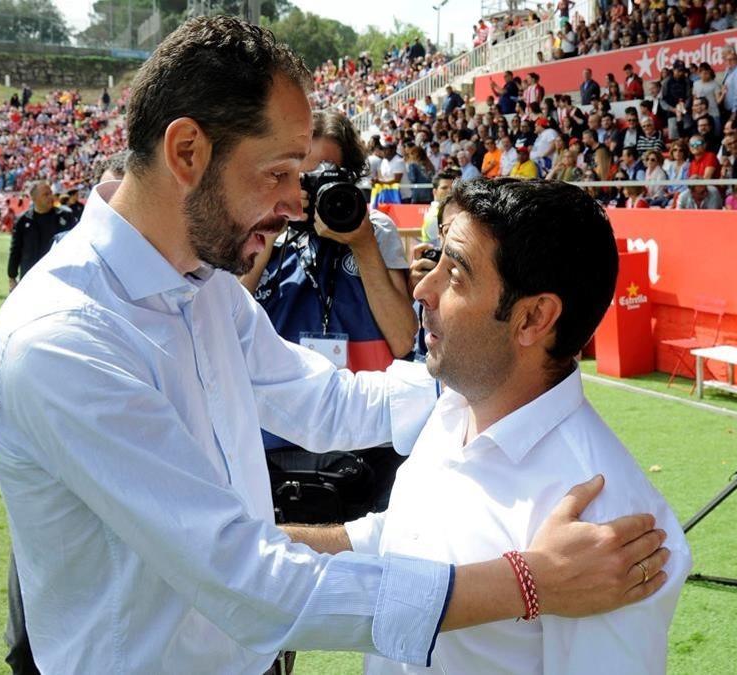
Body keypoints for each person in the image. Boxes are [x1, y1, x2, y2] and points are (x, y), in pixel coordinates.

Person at [0, 16, 669, 675]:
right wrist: (529, 580)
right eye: (278, 172)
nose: (293, 204)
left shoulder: (204, 284)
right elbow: (250, 584)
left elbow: (323, 400)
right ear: (187, 151)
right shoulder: (64, 340)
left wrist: (483, 376)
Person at [286, 178, 691, 675]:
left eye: (455, 274)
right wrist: (266, 546)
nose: (422, 288)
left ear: (533, 318)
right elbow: (402, 538)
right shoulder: (456, 407)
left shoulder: (607, 520)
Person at [6, 181, 76, 291]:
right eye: (45, 194)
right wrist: (12, 277)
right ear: (34, 198)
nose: (51, 197)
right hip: (29, 279)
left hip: (59, 280)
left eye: (50, 193)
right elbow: (16, 249)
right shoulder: (23, 221)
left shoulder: (65, 217)